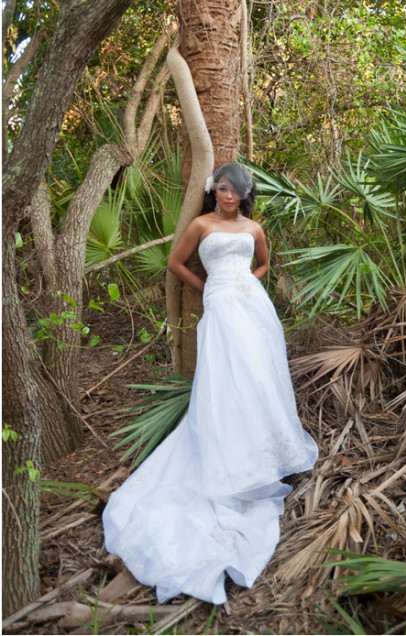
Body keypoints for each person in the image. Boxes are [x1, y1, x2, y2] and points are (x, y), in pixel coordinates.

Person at [103, 162, 318, 605]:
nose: (228, 196)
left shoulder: (254, 228)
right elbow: (175, 262)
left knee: (260, 371)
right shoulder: (201, 224)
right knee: (227, 373)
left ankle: (269, 445)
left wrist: (246, 284)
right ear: (213, 191)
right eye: (222, 189)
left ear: (244, 194)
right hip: (218, 301)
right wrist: (211, 285)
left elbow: (264, 265)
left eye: (235, 191)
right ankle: (230, 450)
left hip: (252, 304)